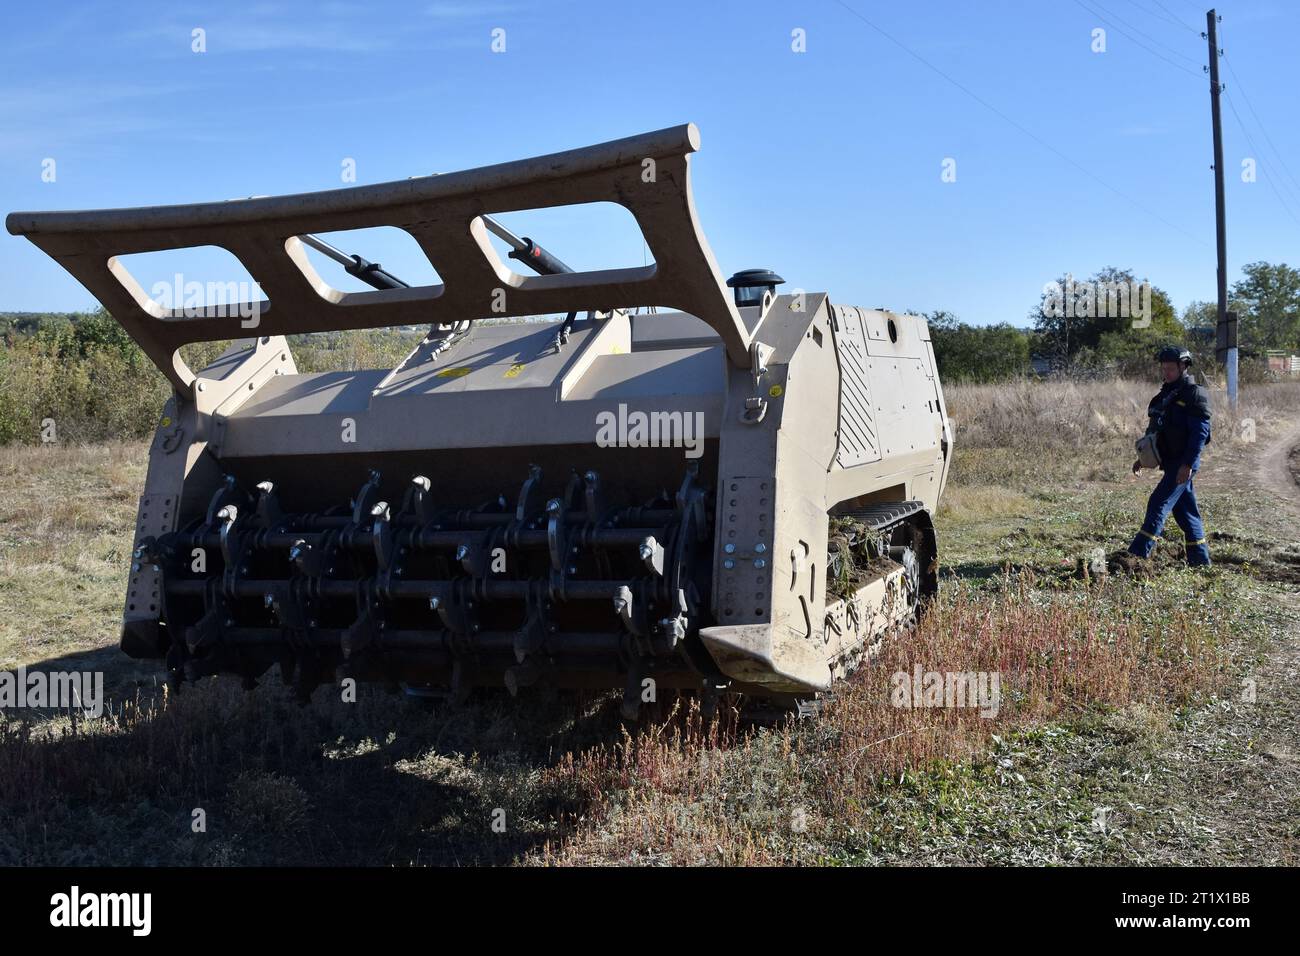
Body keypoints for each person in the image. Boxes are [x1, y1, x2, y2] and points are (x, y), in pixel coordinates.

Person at [1127, 346, 1212, 566]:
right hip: (1170, 462)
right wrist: (1143, 459)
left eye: (1171, 369)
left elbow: (1199, 434)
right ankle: (1201, 562)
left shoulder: (1195, 394)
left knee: (1158, 504)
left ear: (1183, 367)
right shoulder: (1164, 395)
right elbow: (1155, 432)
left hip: (1182, 464)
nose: (1166, 373)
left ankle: (1135, 557)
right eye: (1163, 368)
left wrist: (1188, 464)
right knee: (1187, 514)